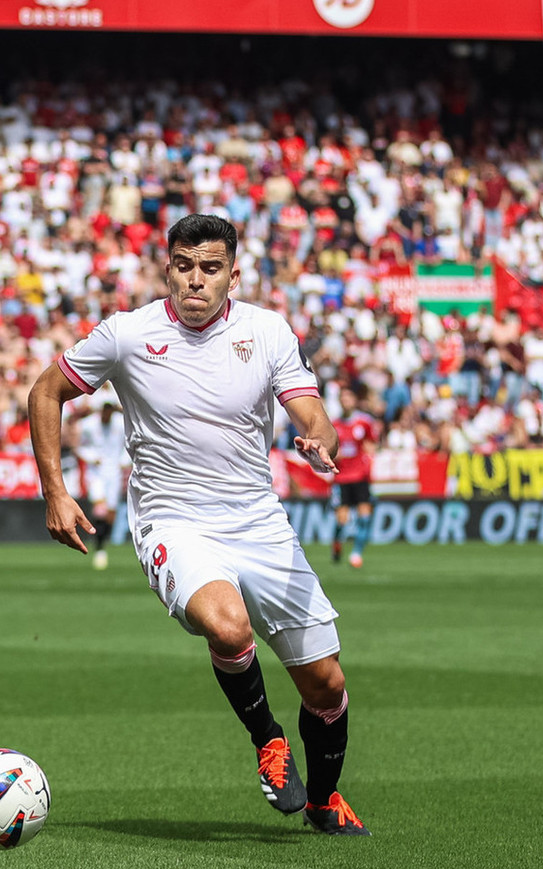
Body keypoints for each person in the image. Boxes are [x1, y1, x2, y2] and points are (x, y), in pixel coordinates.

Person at [27, 213, 370, 836]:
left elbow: (311, 411)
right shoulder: (128, 334)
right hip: (173, 521)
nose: (194, 281)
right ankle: (267, 739)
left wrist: (319, 439)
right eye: (183, 267)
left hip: (259, 522)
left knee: (325, 685)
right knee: (226, 623)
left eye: (209, 269)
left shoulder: (267, 331)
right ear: (168, 269)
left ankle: (323, 799)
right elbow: (44, 391)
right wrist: (56, 490)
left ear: (232, 275)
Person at [73, 386, 128, 570]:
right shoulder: (89, 425)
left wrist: (124, 461)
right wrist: (90, 457)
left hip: (114, 471)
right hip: (96, 472)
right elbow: (78, 446)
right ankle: (99, 549)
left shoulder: (120, 423)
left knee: (111, 513)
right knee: (100, 509)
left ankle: (101, 542)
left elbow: (129, 444)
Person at [329, 384, 379, 569]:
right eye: (343, 398)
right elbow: (328, 449)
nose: (346, 401)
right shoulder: (334, 424)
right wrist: (335, 454)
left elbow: (372, 444)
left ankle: (356, 553)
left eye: (349, 398)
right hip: (342, 478)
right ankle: (336, 542)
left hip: (360, 476)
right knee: (342, 520)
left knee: (365, 516)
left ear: (354, 401)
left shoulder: (364, 423)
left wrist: (368, 457)